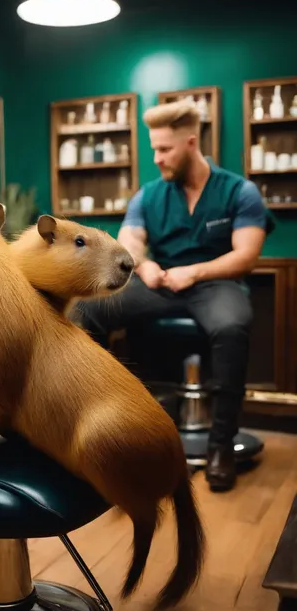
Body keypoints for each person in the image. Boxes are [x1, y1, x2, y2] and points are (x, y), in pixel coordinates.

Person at [75, 99, 269, 492]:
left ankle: (220, 448)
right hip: (160, 283)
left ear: (192, 143)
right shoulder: (149, 195)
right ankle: (99, 430)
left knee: (233, 326)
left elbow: (246, 256)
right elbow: (130, 242)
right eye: (154, 150)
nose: (158, 158)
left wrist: (195, 271)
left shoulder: (239, 191)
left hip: (216, 285)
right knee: (87, 309)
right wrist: (144, 267)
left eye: (165, 150)